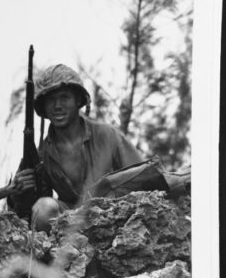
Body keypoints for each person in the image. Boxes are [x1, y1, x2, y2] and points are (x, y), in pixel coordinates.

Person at [11, 64, 144, 232]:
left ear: (78, 101)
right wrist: (20, 190)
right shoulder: (42, 154)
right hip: (69, 220)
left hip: (112, 213)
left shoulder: (106, 135)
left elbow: (143, 175)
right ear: (43, 107)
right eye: (51, 100)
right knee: (43, 208)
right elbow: (28, 209)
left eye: (64, 97)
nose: (57, 105)